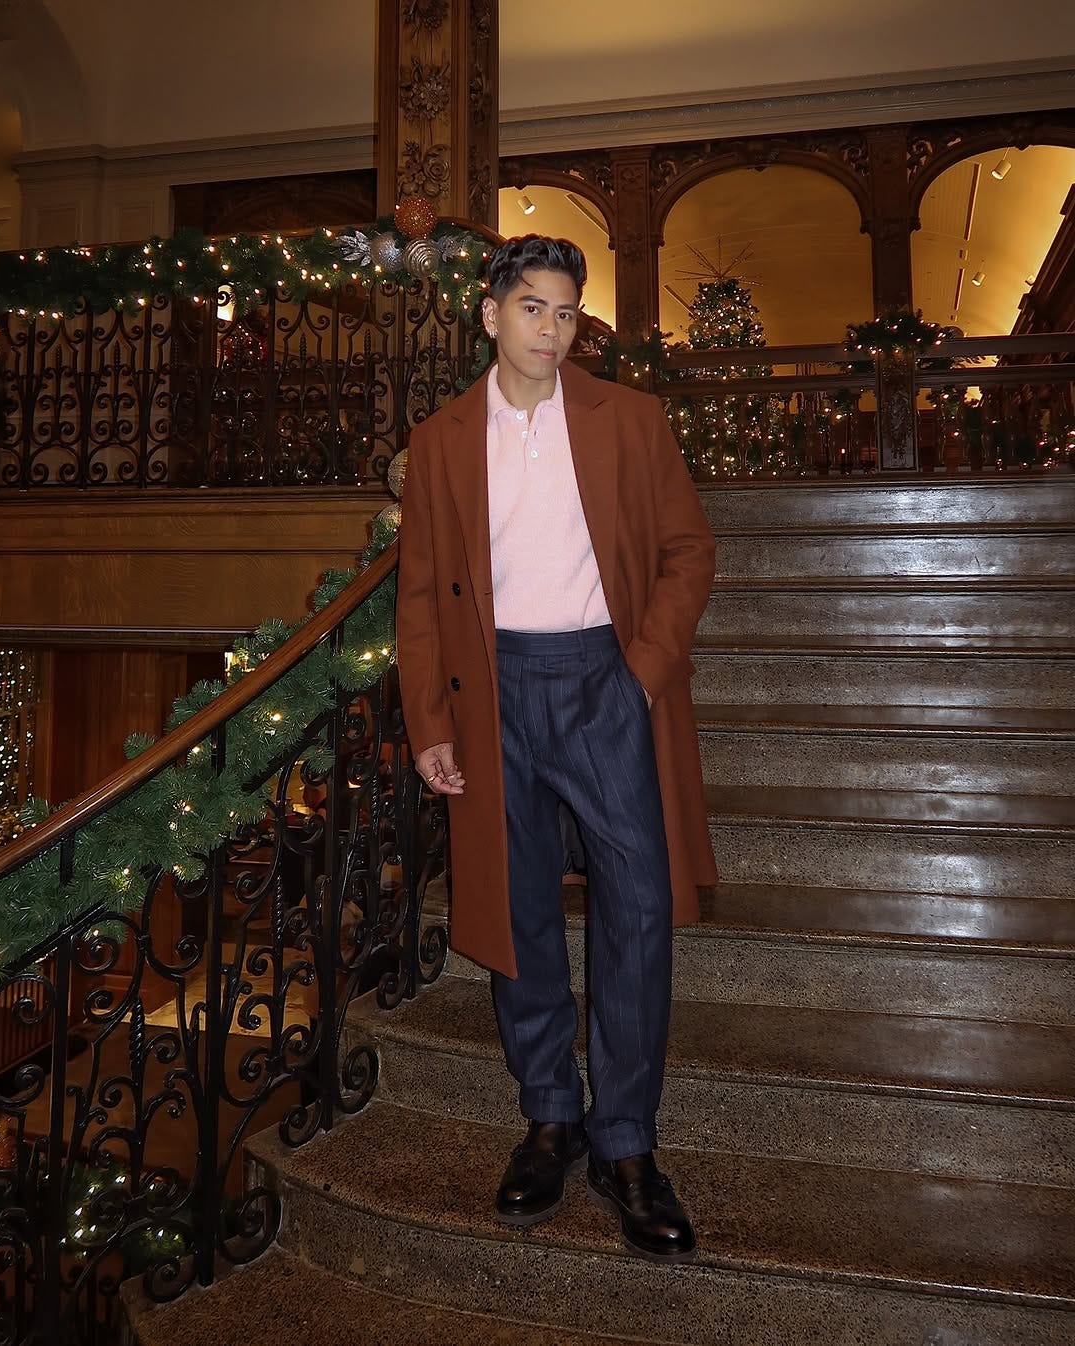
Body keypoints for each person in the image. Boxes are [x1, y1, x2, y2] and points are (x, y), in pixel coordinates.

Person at [396, 235, 717, 1264]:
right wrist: (431, 726)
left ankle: (626, 1142)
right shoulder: (442, 439)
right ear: (490, 315)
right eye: (532, 307)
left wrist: (640, 674)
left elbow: (686, 551)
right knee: (518, 902)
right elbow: (418, 595)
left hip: (603, 683)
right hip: (490, 689)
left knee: (636, 906)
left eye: (567, 312)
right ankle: (550, 1116)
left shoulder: (631, 419)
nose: (551, 328)